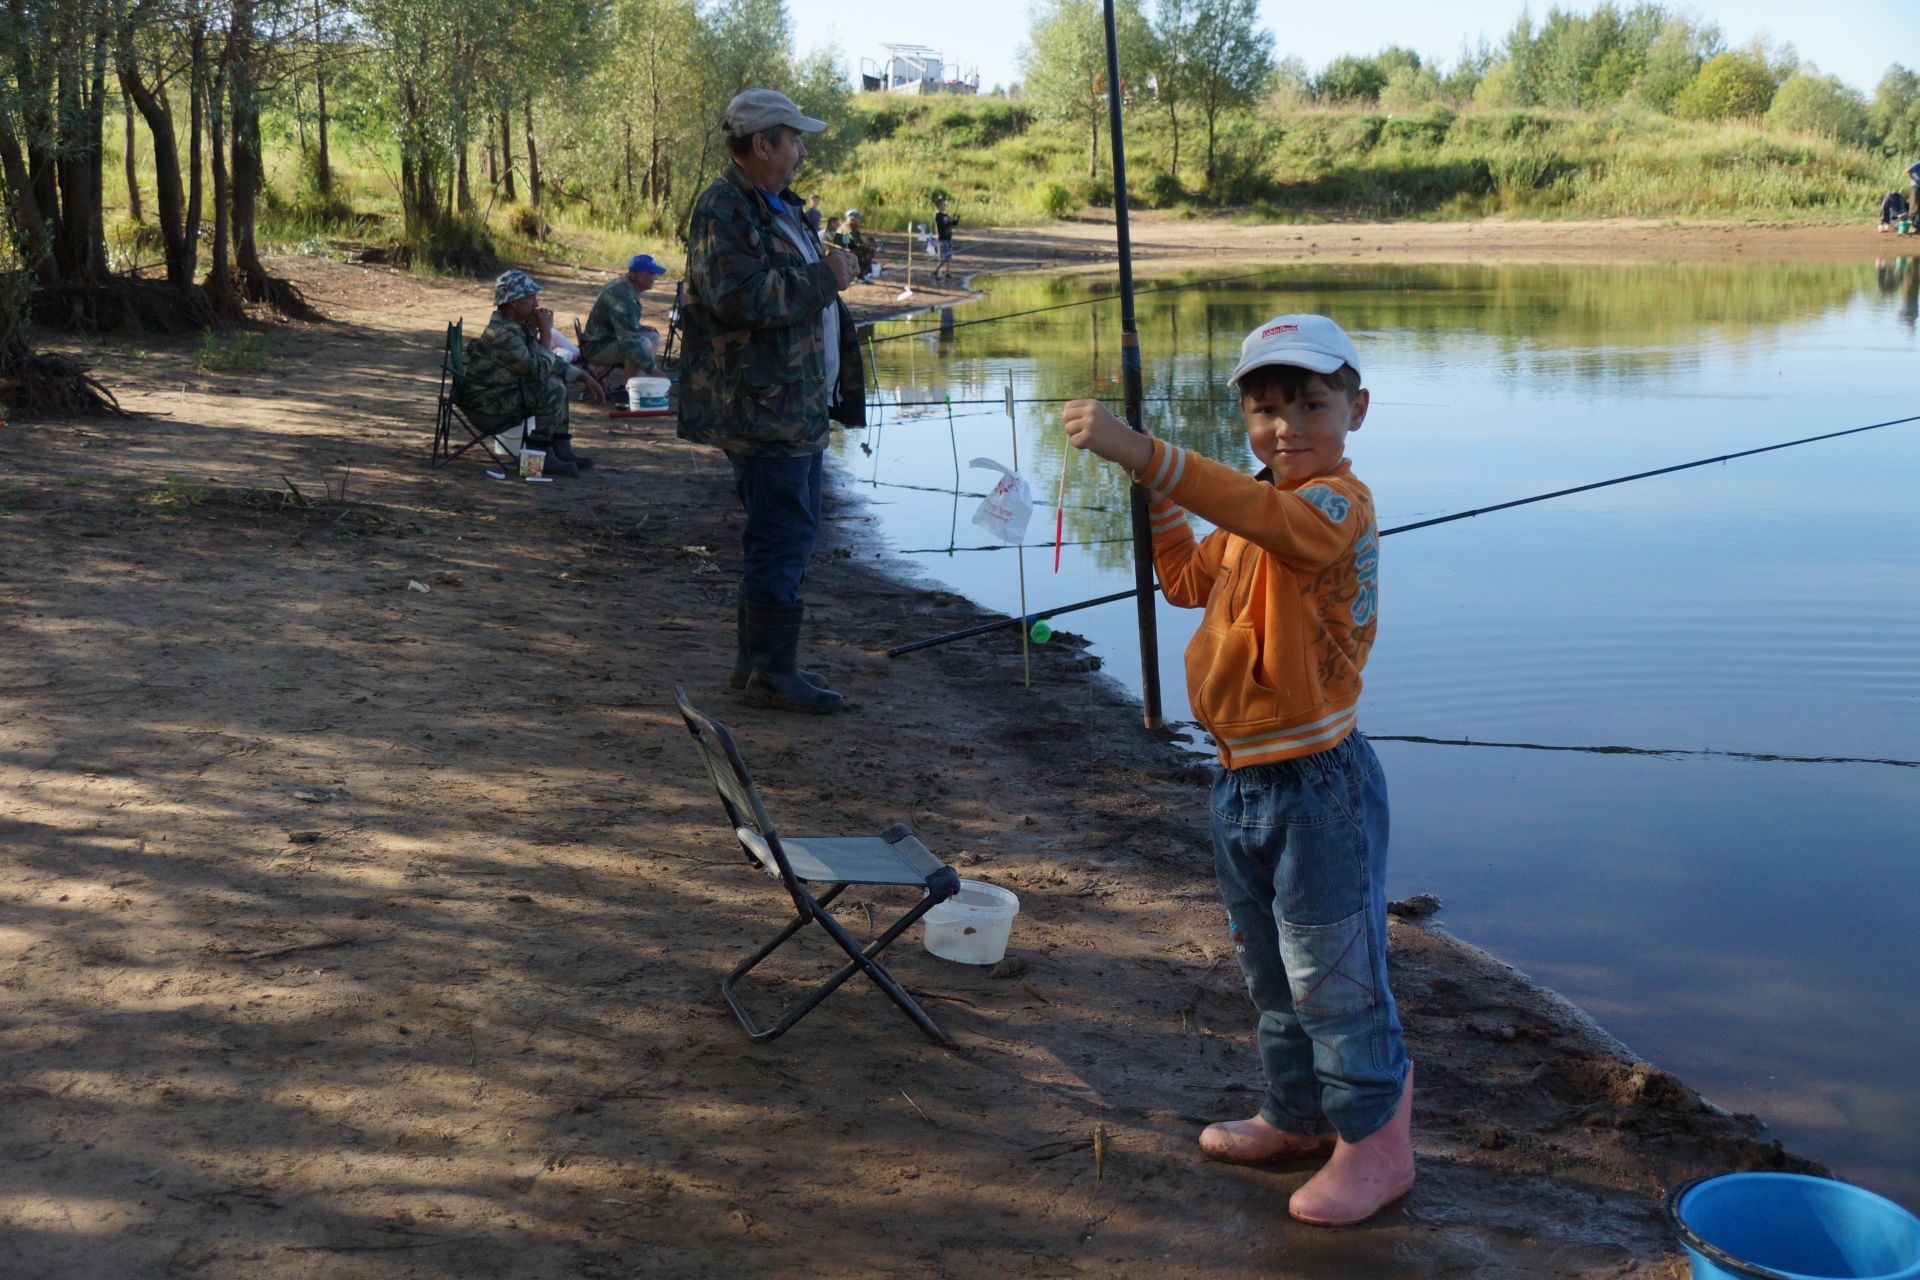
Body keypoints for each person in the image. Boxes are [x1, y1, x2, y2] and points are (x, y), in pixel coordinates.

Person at [1060, 314, 1413, 1227]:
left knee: (1336, 979)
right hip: (1240, 782)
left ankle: (1377, 1148)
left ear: (1357, 409)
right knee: (1272, 975)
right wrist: (1151, 488)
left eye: (1311, 403)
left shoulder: (1335, 505)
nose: (1287, 425)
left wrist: (1148, 451)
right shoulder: (1254, 508)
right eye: (1266, 408)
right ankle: (1297, 1116)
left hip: (1318, 784)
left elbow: (1270, 520)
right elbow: (1182, 576)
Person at [678, 88, 865, 714]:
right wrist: (826, 276)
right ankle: (772, 674)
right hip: (765, 408)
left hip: (795, 403)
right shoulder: (722, 208)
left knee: (785, 533)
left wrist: (829, 271)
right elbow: (741, 297)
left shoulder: (777, 205)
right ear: (761, 144)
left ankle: (755, 665)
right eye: (794, 139)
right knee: (783, 534)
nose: (802, 150)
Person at [461, 269, 604, 476]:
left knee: (558, 379)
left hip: (500, 393)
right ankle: (540, 454)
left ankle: (559, 448)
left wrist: (582, 375)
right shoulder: (505, 334)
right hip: (488, 404)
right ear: (513, 302)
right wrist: (545, 332)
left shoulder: (515, 326)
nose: (536, 304)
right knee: (551, 387)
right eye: (530, 298)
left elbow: (545, 361)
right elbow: (539, 372)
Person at [581, 253, 667, 402]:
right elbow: (630, 343)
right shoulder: (624, 296)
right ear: (640, 276)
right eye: (652, 273)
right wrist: (656, 372)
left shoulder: (625, 287)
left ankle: (641, 385)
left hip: (606, 339)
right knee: (641, 344)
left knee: (651, 336)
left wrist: (638, 327)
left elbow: (619, 323)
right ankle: (625, 390)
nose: (655, 278)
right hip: (596, 348)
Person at [838, 209, 877, 281]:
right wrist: (867, 245)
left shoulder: (848, 226)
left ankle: (863, 273)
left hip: (844, 249)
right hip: (844, 251)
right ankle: (860, 275)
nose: (860, 220)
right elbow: (857, 243)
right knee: (867, 251)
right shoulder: (849, 228)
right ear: (852, 219)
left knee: (867, 250)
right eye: (858, 218)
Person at [932, 196, 959, 283]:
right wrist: (950, 219)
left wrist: (956, 219)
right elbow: (945, 222)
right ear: (940, 206)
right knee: (944, 258)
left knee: (948, 256)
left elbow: (953, 223)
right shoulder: (939, 216)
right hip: (943, 239)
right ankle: (936, 271)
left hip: (948, 238)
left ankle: (947, 272)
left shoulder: (946, 216)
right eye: (944, 204)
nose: (946, 206)